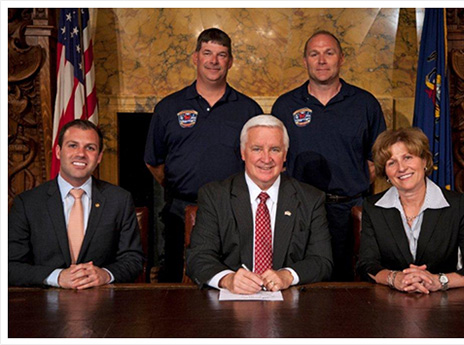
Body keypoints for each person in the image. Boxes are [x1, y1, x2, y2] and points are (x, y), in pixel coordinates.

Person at [144, 28, 263, 281]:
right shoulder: (169, 107)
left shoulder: (249, 109)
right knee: (177, 283)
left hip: (234, 211)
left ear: (230, 62)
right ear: (195, 57)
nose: (214, 61)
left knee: (233, 281)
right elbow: (154, 162)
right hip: (180, 211)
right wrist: (178, 185)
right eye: (207, 53)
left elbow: (259, 161)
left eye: (221, 55)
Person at [271, 30, 386, 281]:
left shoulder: (365, 104)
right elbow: (275, 160)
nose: (321, 60)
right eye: (314, 54)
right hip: (299, 212)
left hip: (349, 211)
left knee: (349, 285)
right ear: (305, 61)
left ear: (341, 58)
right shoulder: (285, 106)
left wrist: (350, 187)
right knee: (300, 281)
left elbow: (376, 160)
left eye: (329, 53)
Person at [186, 115, 333, 294]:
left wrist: (288, 275)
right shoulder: (215, 196)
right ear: (243, 152)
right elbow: (199, 257)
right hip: (229, 304)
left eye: (275, 150)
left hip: (289, 306)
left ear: (285, 155)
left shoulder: (311, 199)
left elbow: (322, 260)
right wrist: (227, 279)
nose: (266, 158)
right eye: (257, 149)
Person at [9, 120, 144, 288]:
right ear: (58, 152)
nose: (81, 154)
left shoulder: (119, 200)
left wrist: (105, 275)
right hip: (43, 305)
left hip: (102, 305)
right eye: (73, 145)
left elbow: (133, 260)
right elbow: (10, 265)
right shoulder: (27, 203)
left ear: (99, 157)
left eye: (90, 148)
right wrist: (57, 277)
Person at [356, 127, 464, 293]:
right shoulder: (373, 207)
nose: (401, 168)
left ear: (424, 161)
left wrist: (438, 281)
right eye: (391, 162)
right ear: (385, 173)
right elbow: (366, 265)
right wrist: (395, 278)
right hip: (390, 304)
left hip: (444, 305)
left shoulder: (456, 205)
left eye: (408, 157)